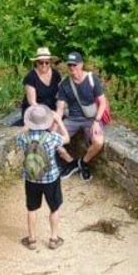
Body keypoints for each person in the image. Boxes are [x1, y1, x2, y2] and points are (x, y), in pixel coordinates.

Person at [18, 103, 72, 250]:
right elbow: (67, 138)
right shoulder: (51, 137)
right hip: (50, 178)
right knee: (54, 208)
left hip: (31, 178)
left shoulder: (24, 138)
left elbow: (20, 135)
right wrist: (59, 121)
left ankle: (31, 240)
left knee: (32, 208)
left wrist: (27, 125)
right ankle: (53, 239)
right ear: (46, 121)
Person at [56, 52, 107, 180]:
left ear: (81, 64)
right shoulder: (65, 84)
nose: (72, 68)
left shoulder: (91, 79)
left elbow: (103, 102)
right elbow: (60, 108)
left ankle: (82, 163)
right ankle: (71, 162)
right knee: (51, 138)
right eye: (70, 65)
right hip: (72, 119)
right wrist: (56, 124)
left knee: (98, 142)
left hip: (91, 119)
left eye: (75, 64)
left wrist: (96, 122)